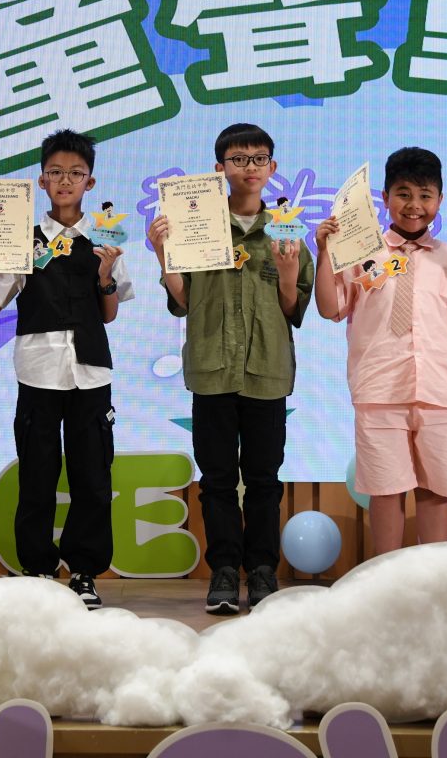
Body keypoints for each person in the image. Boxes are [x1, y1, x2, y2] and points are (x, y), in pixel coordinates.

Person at [0, 129, 132, 608]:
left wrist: (105, 276)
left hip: (91, 370)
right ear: (41, 180)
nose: (65, 180)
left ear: (90, 182)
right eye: (55, 172)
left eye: (75, 173)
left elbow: (109, 313)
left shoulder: (104, 237)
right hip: (37, 368)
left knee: (92, 474)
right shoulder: (21, 237)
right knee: (37, 473)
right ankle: (37, 569)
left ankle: (84, 570)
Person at [150, 123, 313, 614]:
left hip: (267, 370)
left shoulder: (286, 230)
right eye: (238, 159)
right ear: (219, 168)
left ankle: (262, 569)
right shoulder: (195, 224)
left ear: (272, 167)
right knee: (217, 480)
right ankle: (223, 570)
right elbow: (184, 301)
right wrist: (163, 254)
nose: (249, 168)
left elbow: (293, 309)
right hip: (212, 369)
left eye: (258, 158)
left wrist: (288, 273)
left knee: (264, 480)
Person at [315, 147, 447, 556]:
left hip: (444, 392)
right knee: (385, 491)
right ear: (385, 198)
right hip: (380, 389)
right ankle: (387, 579)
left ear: (440, 200)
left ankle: (429, 581)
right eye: (403, 194)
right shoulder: (360, 253)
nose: (414, 205)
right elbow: (330, 308)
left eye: (425, 195)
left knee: (437, 491)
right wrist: (324, 252)